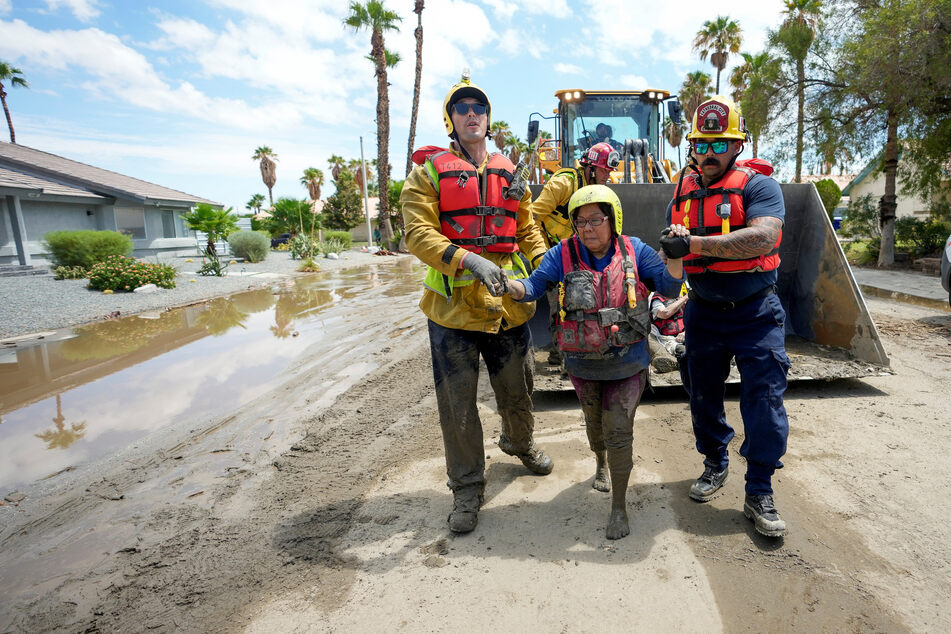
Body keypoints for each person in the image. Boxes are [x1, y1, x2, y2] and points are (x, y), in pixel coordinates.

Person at [401, 73, 554, 534]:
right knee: (459, 406)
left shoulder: (510, 172)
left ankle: (519, 443)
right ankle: (467, 489)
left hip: (507, 307)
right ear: (451, 120)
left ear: (488, 119)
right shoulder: (427, 173)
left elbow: (528, 230)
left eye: (479, 108)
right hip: (454, 310)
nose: (472, 114)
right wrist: (467, 259)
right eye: (463, 108)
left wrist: (550, 271)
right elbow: (417, 233)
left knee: (519, 389)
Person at [506, 185, 685, 540]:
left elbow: (669, 284)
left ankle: (619, 506)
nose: (587, 229)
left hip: (628, 360)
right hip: (582, 363)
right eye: (580, 222)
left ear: (612, 219)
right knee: (594, 426)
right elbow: (534, 285)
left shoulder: (636, 251)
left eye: (595, 220)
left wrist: (676, 253)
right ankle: (599, 460)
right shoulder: (561, 254)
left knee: (619, 432)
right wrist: (509, 286)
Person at [659, 96, 789, 538]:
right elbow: (673, 265)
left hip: (756, 311)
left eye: (720, 144)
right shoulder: (681, 190)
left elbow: (762, 239)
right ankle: (715, 461)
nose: (709, 153)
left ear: (737, 144)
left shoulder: (759, 187)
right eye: (702, 144)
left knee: (765, 401)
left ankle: (759, 490)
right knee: (702, 395)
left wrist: (691, 244)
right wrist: (671, 257)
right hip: (703, 311)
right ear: (692, 145)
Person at [530, 142, 620, 365]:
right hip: (554, 253)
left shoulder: (599, 190)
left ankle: (588, 347)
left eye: (609, 171)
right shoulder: (564, 183)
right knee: (559, 305)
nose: (608, 175)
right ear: (590, 167)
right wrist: (541, 256)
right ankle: (560, 354)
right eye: (604, 170)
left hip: (580, 254)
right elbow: (532, 217)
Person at [648, 290, 687, 373]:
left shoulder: (690, 294)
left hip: (686, 334)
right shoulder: (657, 298)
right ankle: (671, 360)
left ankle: (682, 359)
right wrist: (684, 298)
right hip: (663, 337)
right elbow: (664, 313)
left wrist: (686, 333)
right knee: (647, 337)